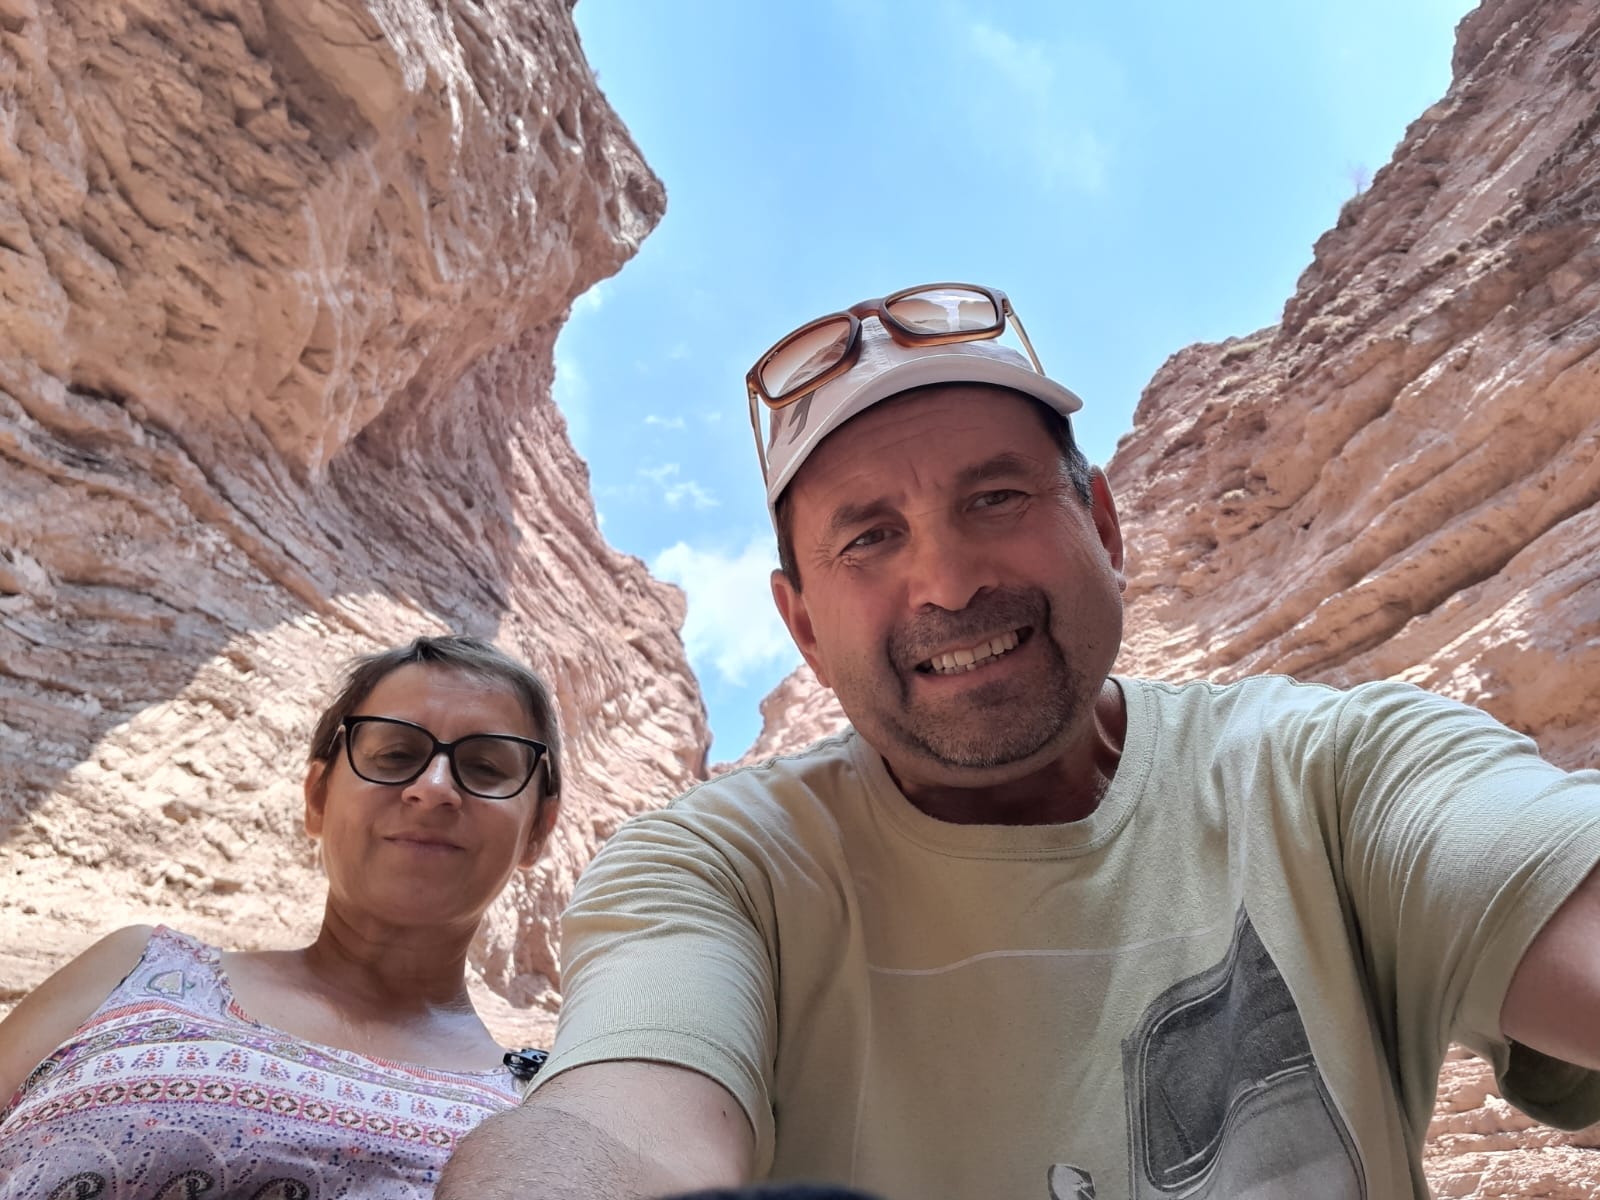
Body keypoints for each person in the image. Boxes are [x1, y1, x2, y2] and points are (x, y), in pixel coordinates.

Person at [441, 283, 1600, 1200]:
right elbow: (620, 1122)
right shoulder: (721, 870)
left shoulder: (1331, 771)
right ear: (799, 624)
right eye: (869, 538)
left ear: (1100, 524)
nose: (946, 582)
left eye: (994, 499)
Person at [0, 634, 564, 1198]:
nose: (434, 788)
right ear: (317, 796)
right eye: (395, 755)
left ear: (538, 829)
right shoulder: (135, 967)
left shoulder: (541, 1111)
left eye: (486, 766)